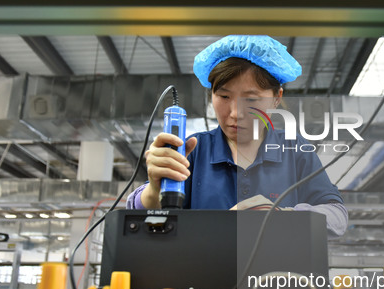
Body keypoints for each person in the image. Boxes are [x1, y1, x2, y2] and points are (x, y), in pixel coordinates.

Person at [127, 35, 348, 236]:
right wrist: (154, 189)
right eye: (223, 96)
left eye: (251, 99)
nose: (235, 113)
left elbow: (337, 216)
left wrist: (280, 215)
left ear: (276, 98)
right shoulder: (194, 150)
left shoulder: (295, 149)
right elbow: (141, 215)